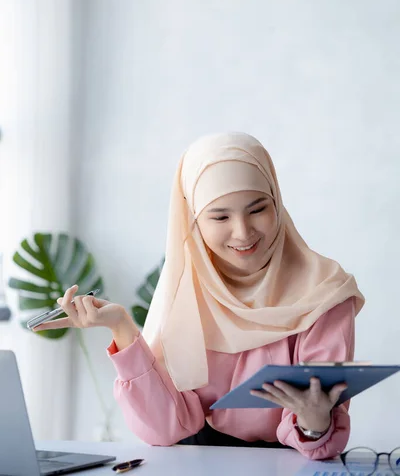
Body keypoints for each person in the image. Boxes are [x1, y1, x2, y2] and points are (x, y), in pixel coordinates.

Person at [34, 132, 365, 460]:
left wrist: (314, 423)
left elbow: (320, 435)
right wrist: (122, 328)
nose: (243, 232)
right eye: (220, 216)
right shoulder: (185, 288)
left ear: (277, 201)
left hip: (288, 461)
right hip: (197, 461)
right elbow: (165, 429)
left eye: (258, 209)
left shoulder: (324, 291)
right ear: (193, 221)